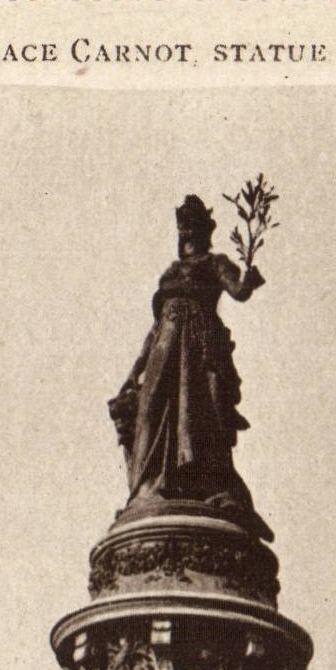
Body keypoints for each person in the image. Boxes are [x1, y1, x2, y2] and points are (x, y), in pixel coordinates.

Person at [109, 194, 269, 535]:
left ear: (204, 231)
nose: (187, 234)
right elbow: (153, 332)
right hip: (166, 348)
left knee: (203, 418)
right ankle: (153, 488)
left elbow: (238, 291)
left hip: (200, 347)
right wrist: (131, 374)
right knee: (151, 412)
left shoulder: (216, 263)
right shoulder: (170, 273)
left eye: (193, 227)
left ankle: (207, 487)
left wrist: (249, 283)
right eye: (183, 228)